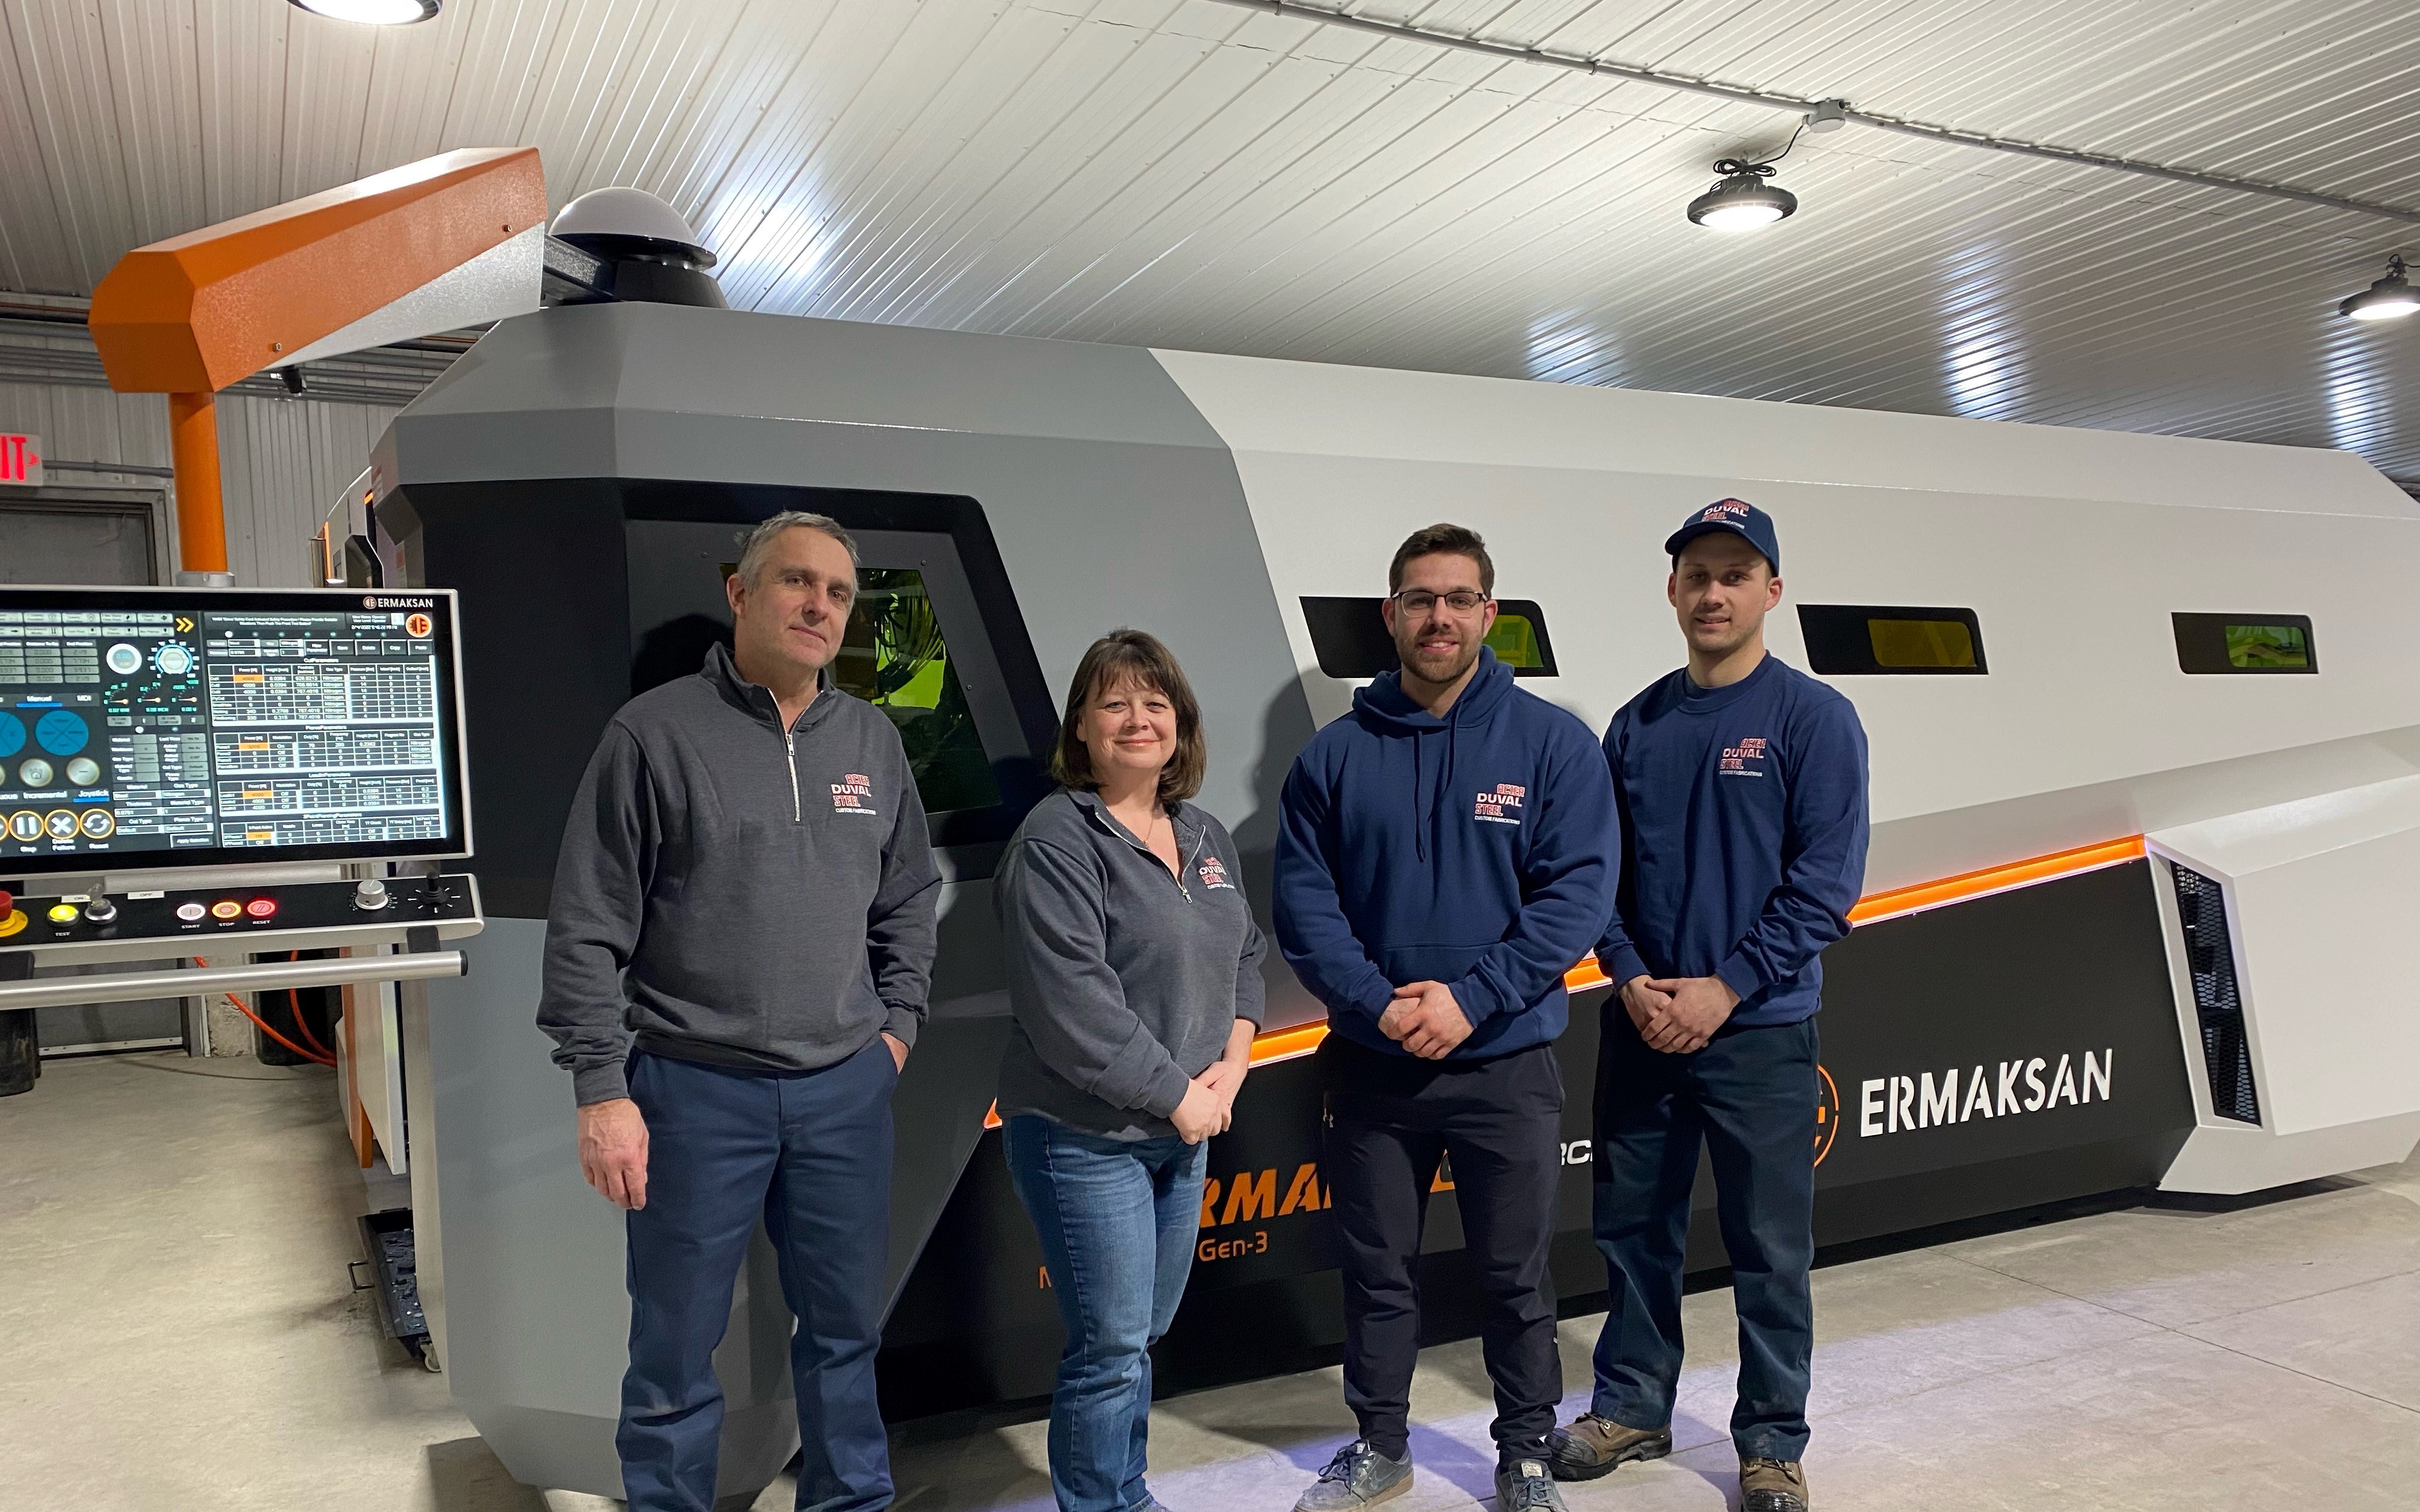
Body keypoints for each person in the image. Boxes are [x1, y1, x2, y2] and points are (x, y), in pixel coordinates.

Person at [537, 510, 941, 1512]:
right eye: (797, 582)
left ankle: (851, 1500)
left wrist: (897, 1031)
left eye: (840, 593)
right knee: (673, 1350)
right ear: (741, 592)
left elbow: (906, 901)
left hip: (845, 1090)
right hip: (690, 1092)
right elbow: (587, 924)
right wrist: (601, 1088)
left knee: (847, 1334)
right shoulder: (655, 733)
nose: (819, 606)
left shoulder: (872, 742)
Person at [1275, 524, 1619, 1512]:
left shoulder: (1553, 745)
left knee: (1515, 1279)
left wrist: (1473, 999)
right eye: (1420, 600)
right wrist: (1382, 1007)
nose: (1439, 617)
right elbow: (1307, 909)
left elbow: (1577, 896)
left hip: (1503, 1065)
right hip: (1374, 1069)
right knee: (1378, 1276)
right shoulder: (1333, 758)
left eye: (1458, 599)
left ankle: (1522, 1455)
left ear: (1489, 616)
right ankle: (1381, 1447)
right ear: (1392, 616)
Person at [1550, 500, 1868, 1512]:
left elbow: (1825, 883)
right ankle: (1635, 1402)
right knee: (1633, 1227)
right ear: (1674, 592)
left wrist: (1727, 987)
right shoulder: (1635, 725)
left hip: (1761, 1033)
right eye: (1698, 574)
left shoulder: (1812, 719)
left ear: (1771, 591)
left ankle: (1772, 1439)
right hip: (1643, 1024)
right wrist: (1631, 977)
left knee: (1769, 1244)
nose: (1714, 592)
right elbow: (1597, 877)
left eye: (1736, 574)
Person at [993, 629, 1267, 1512]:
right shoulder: (1056, 841)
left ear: (1180, 727)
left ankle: (1126, 1491)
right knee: (1110, 1344)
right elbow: (1070, 1006)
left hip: (1185, 1129)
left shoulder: (1204, 831)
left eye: (1156, 704)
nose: (1137, 720)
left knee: (1139, 1335)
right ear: (1081, 728)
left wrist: (1231, 1064)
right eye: (1114, 703)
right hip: (1086, 1135)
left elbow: (1248, 954)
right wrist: (1182, 1095)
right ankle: (1103, 1504)